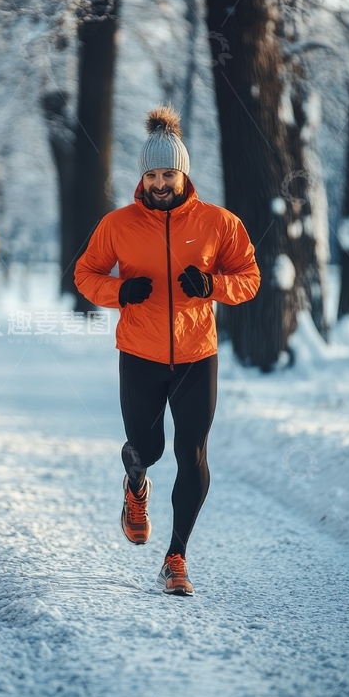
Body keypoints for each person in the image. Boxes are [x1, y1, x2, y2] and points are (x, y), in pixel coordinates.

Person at [74, 106, 260, 596]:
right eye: (152, 174)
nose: (160, 182)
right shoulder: (117, 224)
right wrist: (120, 292)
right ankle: (136, 483)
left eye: (169, 173)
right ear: (142, 176)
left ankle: (176, 556)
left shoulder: (220, 223)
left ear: (184, 173)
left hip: (198, 354)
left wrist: (212, 285)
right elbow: (85, 275)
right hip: (140, 352)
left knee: (192, 451)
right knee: (147, 449)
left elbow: (250, 279)